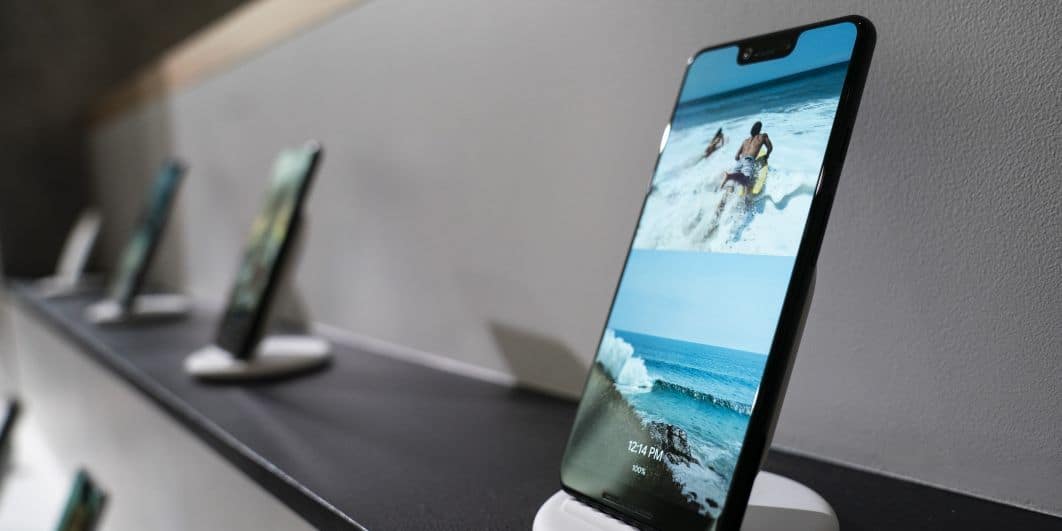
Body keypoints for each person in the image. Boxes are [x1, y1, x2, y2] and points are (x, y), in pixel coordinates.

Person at [720, 121, 772, 194]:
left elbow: (736, 157)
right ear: (760, 129)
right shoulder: (763, 136)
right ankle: (746, 200)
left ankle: (724, 199)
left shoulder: (745, 141)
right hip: (749, 159)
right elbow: (770, 147)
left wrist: (742, 162)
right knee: (747, 180)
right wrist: (766, 156)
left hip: (740, 161)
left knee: (732, 184)